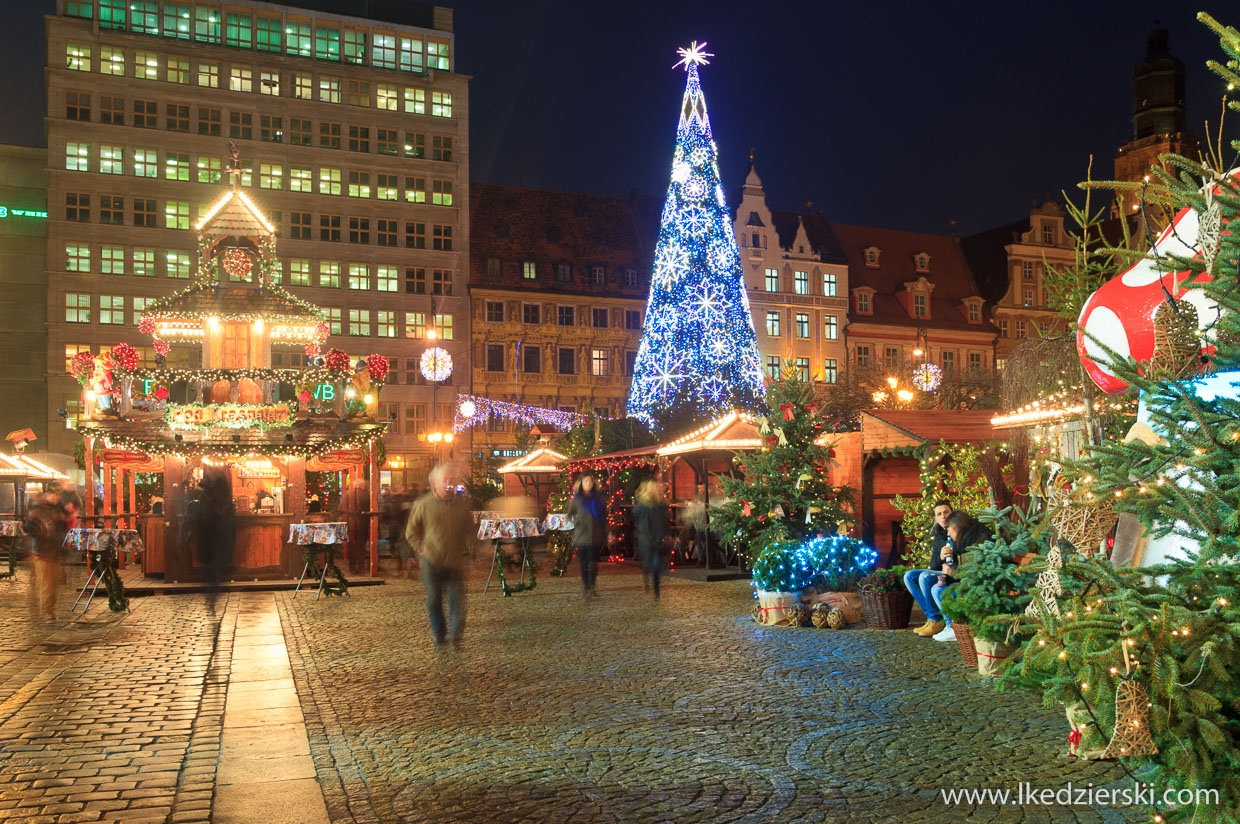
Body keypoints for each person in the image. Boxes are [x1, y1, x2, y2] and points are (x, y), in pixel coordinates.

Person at [405, 463, 474, 649]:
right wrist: (421, 549)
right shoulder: (424, 504)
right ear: (434, 482)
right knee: (434, 599)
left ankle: (456, 638)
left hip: (455, 561)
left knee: (457, 601)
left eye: (451, 480)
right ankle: (439, 635)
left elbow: (469, 529)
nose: (448, 483)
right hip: (431, 561)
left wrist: (471, 544)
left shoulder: (462, 505)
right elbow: (411, 531)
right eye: (444, 480)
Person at [930, 510, 992, 642]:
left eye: (949, 529)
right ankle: (950, 626)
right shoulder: (965, 540)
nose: (948, 533)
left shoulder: (976, 543)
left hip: (978, 588)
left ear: (957, 526)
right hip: (968, 583)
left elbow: (975, 572)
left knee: (940, 590)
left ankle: (953, 627)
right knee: (936, 587)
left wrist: (951, 572)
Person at [905, 500, 952, 638]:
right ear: (936, 518)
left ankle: (936, 620)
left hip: (954, 573)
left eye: (946, 512)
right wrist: (941, 556)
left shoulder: (958, 530)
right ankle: (931, 618)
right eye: (939, 514)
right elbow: (934, 565)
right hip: (941, 571)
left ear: (952, 513)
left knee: (924, 576)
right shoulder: (938, 536)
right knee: (909, 576)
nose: (943, 516)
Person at [195, 470, 236, 615]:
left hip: (209, 543)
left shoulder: (206, 497)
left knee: (210, 572)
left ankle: (211, 597)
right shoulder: (222, 500)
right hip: (217, 543)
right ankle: (213, 596)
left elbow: (200, 518)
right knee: (214, 572)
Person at [23, 491, 68, 621]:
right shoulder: (37, 511)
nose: (56, 497)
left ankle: (50, 609)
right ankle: (47, 611)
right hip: (42, 552)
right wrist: (42, 530)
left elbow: (61, 529)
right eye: (53, 495)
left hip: (54, 551)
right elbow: (29, 528)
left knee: (53, 583)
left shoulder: (56, 511)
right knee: (47, 583)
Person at [567, 473, 608, 596]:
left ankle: (592, 587)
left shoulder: (599, 498)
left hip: (596, 535)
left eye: (591, 481)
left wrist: (607, 531)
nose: (589, 483)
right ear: (581, 483)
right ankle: (586, 587)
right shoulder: (577, 499)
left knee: (593, 563)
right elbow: (569, 514)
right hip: (581, 535)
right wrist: (576, 521)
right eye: (586, 481)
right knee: (584, 563)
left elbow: (604, 515)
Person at [632, 479, 669, 599]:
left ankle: (656, 589)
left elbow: (665, 521)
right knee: (647, 564)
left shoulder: (661, 504)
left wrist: (668, 534)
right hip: (647, 538)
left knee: (656, 565)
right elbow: (635, 516)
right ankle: (647, 581)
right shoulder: (642, 504)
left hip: (658, 538)